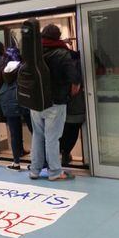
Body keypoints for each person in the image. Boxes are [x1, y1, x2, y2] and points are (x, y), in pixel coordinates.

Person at [29, 24, 80, 181]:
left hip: (35, 102)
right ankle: (55, 172)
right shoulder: (62, 53)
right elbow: (75, 79)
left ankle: (35, 171)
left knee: (37, 136)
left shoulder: (33, 52)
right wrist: (71, 93)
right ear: (58, 37)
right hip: (55, 103)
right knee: (52, 138)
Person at [0, 47, 32, 171]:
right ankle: (38, 161)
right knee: (35, 131)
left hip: (8, 101)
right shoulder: (23, 67)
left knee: (14, 133)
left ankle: (16, 162)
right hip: (24, 100)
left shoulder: (3, 69)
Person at [60, 50, 86, 166]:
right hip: (76, 104)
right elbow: (76, 85)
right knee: (73, 131)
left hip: (60, 105)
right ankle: (66, 153)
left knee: (64, 131)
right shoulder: (78, 66)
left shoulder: (59, 64)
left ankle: (64, 153)